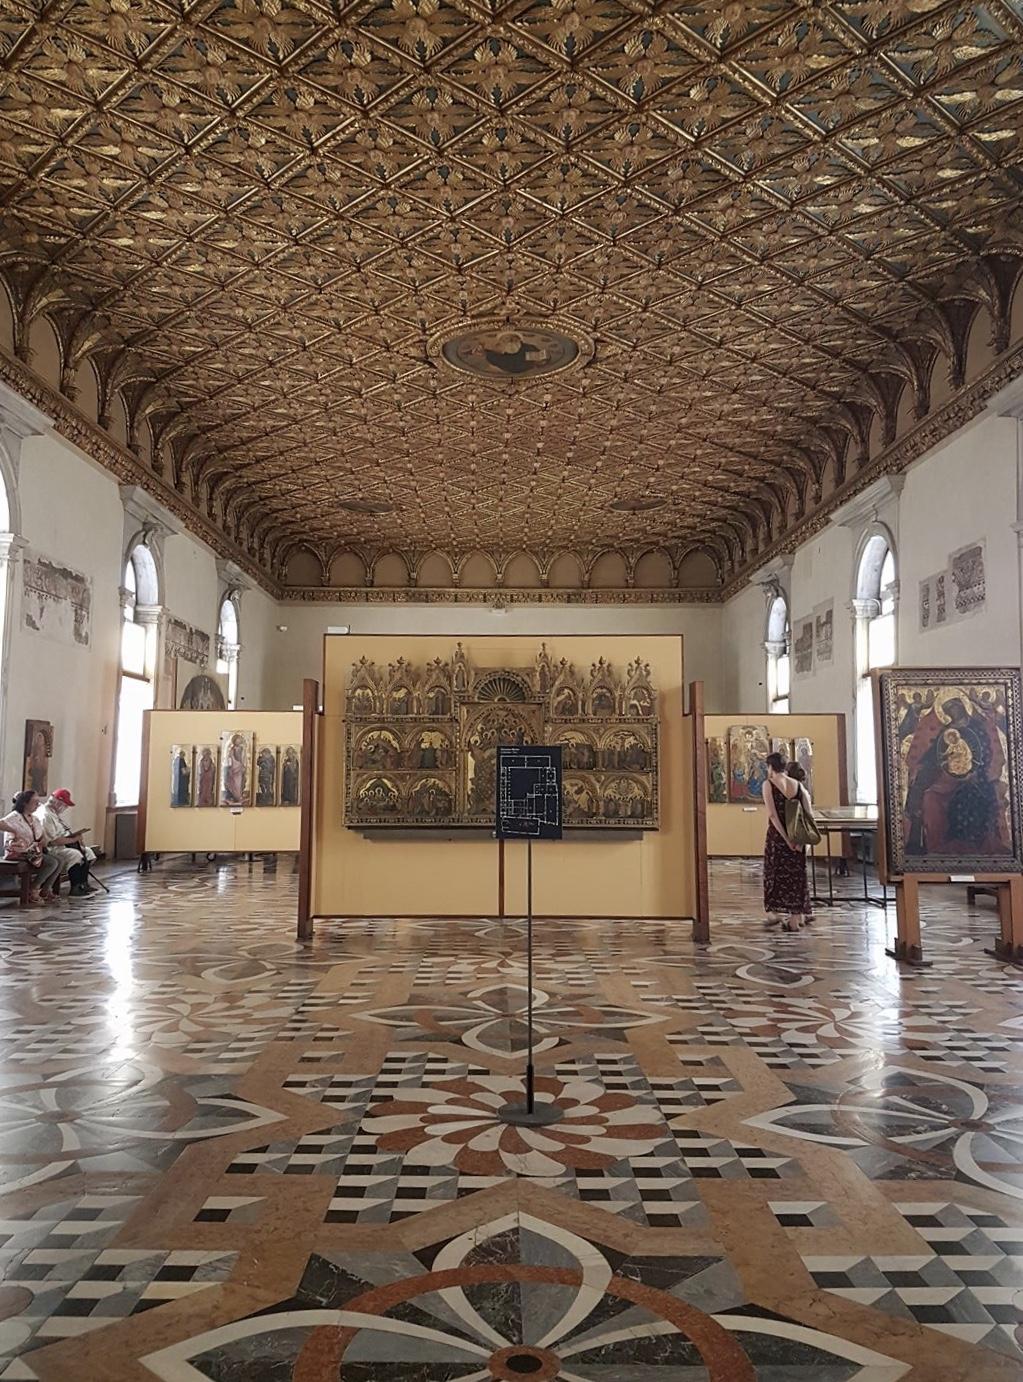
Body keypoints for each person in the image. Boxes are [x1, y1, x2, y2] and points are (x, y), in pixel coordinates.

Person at [761, 752, 812, 931]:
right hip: (798, 839)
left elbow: (773, 816)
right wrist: (799, 840)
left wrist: (786, 839)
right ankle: (795, 919)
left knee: (774, 874)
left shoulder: (769, 784)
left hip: (778, 840)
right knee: (797, 877)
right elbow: (808, 813)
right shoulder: (797, 785)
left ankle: (774, 913)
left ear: (770, 767)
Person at [1, 790, 61, 904]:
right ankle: (33, 889)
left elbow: (38, 835)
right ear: (25, 803)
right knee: (52, 862)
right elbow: (2, 823)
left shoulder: (33, 818)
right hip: (18, 851)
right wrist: (13, 830)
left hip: (31, 850)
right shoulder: (15, 816)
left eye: (38, 802)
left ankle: (45, 890)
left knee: (60, 860)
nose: (38, 805)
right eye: (35, 802)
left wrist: (42, 838)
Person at [34, 789, 93, 897]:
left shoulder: (53, 813)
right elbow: (53, 840)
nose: (65, 808)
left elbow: (63, 831)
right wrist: (73, 840)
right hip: (52, 848)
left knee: (88, 852)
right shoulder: (45, 815)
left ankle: (83, 884)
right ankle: (75, 887)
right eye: (64, 805)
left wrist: (76, 837)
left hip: (63, 844)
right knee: (76, 854)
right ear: (57, 802)